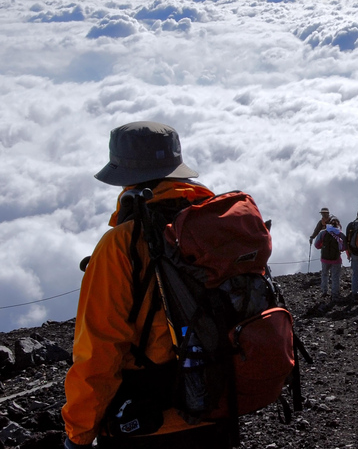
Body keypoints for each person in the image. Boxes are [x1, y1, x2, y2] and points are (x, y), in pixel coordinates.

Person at [62, 122, 236, 449]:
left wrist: (79, 432)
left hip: (146, 423)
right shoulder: (214, 229)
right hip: (216, 405)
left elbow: (99, 349)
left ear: (124, 176)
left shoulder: (121, 244)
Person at [313, 216, 346, 302]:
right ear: (338, 224)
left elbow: (316, 245)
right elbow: (345, 246)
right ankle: (334, 294)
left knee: (324, 274)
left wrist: (323, 247)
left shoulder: (323, 233)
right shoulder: (339, 233)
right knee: (335, 277)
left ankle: (324, 291)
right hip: (336, 259)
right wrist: (339, 249)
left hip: (325, 258)